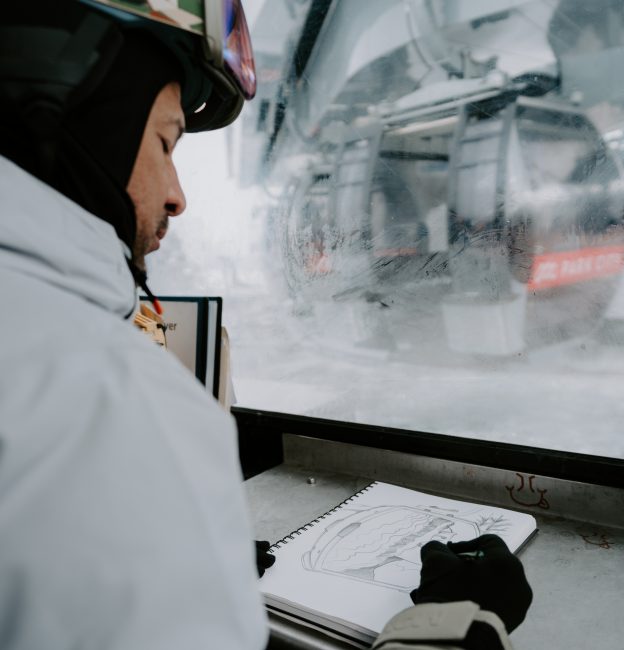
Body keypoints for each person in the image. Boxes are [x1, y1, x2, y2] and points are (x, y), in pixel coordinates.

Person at [0, 2, 531, 649]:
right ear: (77, 119)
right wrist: (453, 622)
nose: (177, 194)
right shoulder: (112, 407)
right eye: (165, 143)